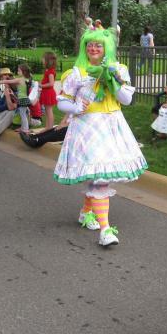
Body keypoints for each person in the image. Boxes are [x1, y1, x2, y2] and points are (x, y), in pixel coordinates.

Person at [54, 28, 147, 246]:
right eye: (90, 44)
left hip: (112, 126)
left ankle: (86, 213)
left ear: (107, 48)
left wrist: (113, 80)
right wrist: (76, 107)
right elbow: (62, 102)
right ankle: (106, 231)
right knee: (100, 177)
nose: (93, 48)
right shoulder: (76, 73)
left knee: (99, 175)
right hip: (87, 128)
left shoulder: (119, 69)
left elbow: (125, 100)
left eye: (98, 45)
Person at [0, 64, 32, 134]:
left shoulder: (20, 79)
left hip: (22, 99)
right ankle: (23, 127)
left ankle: (25, 129)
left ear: (23, 72)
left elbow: (8, 81)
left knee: (23, 114)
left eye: (19, 71)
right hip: (23, 98)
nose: (17, 72)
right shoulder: (27, 79)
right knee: (22, 114)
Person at [39, 52, 58, 132]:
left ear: (47, 60)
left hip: (48, 93)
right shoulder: (47, 70)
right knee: (47, 111)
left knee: (49, 111)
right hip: (46, 92)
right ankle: (48, 127)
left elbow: (51, 83)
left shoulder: (50, 71)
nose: (42, 60)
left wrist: (41, 86)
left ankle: (49, 127)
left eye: (43, 59)